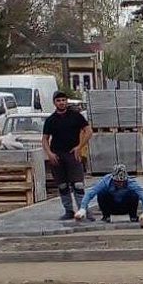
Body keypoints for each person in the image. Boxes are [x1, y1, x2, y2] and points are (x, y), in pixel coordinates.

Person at [42, 91, 93, 220]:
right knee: (62, 185)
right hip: (57, 156)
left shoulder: (76, 116)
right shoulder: (50, 120)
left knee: (78, 185)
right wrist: (49, 153)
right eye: (58, 100)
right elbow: (44, 139)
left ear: (67, 101)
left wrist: (79, 147)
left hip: (73, 154)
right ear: (54, 103)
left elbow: (88, 131)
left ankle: (83, 210)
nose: (61, 103)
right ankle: (68, 211)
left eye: (63, 100)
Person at [74, 163, 143, 226]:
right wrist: (82, 208)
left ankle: (133, 217)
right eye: (117, 182)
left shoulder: (131, 182)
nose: (120, 184)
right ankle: (106, 217)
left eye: (122, 182)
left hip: (125, 207)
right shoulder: (105, 181)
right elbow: (90, 193)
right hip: (111, 206)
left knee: (134, 194)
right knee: (101, 193)